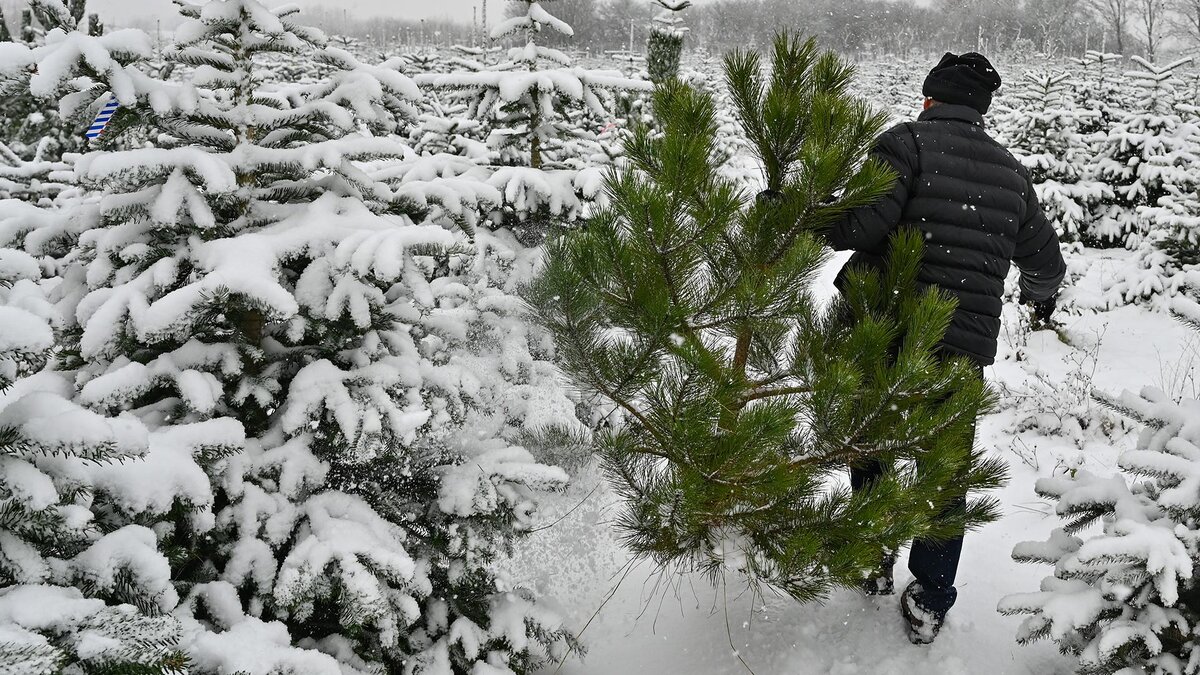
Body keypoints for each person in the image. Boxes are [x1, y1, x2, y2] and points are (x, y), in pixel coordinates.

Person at [822, 52, 1066, 645]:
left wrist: (802, 209)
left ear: (930, 97)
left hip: (880, 332)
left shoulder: (904, 145)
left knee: (870, 445)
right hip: (959, 346)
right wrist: (1039, 300)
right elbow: (1045, 262)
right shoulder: (1012, 173)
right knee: (944, 470)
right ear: (982, 109)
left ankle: (870, 554)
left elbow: (855, 228)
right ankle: (930, 596)